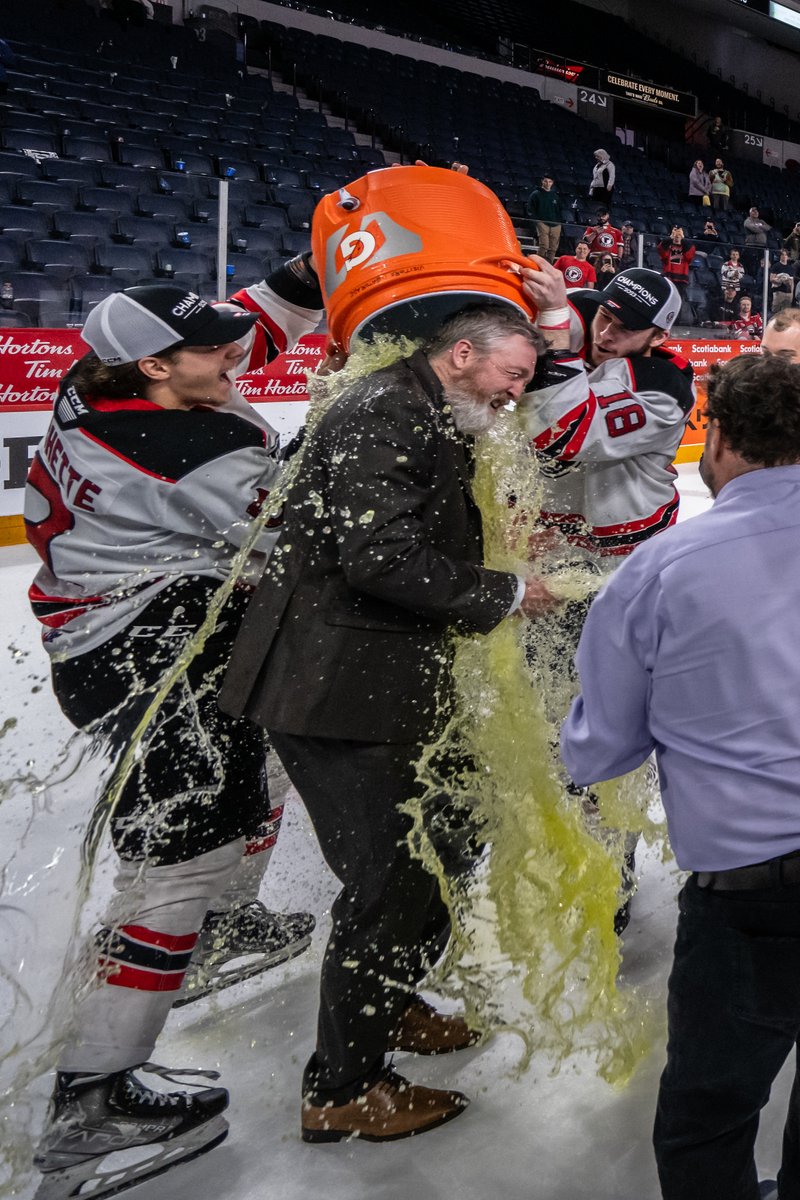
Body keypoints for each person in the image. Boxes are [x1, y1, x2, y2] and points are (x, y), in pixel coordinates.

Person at [219, 305, 560, 1143]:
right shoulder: (385, 411)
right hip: (332, 689)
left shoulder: (422, 404)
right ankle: (343, 1089)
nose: (517, 395)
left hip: (373, 683)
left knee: (445, 836)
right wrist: (507, 592)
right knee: (393, 883)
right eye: (512, 375)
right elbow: (383, 560)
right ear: (462, 355)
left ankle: (391, 1000)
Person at [26, 263, 323, 1197]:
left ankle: (227, 926)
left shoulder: (102, 384)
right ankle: (93, 1097)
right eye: (209, 346)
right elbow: (312, 522)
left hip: (129, 634)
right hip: (153, 656)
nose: (234, 351)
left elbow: (252, 329)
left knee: (261, 775)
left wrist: (313, 275)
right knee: (179, 858)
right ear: (156, 370)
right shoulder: (187, 445)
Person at [559, 351, 800, 1200]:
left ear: (720, 438)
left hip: (754, 892)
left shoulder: (660, 570)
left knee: (711, 1108)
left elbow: (600, 747)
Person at [518, 260, 694, 559]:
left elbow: (562, 433)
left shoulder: (664, 388)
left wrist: (554, 318)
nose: (605, 334)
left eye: (626, 328)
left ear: (659, 336)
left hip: (622, 546)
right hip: (549, 532)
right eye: (605, 316)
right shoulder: (581, 313)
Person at [526, 172, 562, 263]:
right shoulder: (536, 194)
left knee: (553, 248)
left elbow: (559, 210)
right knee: (544, 245)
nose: (547, 183)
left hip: (556, 224)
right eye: (545, 181)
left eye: (549, 182)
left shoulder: (555, 196)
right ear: (542, 182)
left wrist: (559, 222)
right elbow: (530, 209)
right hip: (542, 223)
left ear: (552, 183)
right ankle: (537, 264)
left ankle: (548, 265)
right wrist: (537, 221)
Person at [657, 226, 696, 291]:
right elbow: (661, 249)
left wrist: (683, 238)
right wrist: (671, 237)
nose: (677, 237)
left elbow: (690, 255)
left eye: (679, 235)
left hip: (681, 281)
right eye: (676, 235)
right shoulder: (668, 247)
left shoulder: (686, 248)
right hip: (668, 278)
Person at [743, 206, 772, 277]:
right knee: (752, 264)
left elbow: (768, 227)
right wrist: (762, 228)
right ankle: (751, 277)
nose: (755, 212)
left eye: (757, 211)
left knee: (761, 264)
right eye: (753, 211)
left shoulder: (761, 221)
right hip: (751, 245)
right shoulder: (748, 220)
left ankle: (759, 277)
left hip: (762, 246)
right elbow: (755, 230)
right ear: (750, 213)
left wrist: (759, 226)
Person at [769, 248, 794, 315]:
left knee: (786, 314)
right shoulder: (776, 266)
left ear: (788, 257)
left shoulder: (790, 268)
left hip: (788, 293)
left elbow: (792, 282)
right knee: (775, 312)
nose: (784, 256)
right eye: (782, 255)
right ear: (780, 256)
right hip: (778, 292)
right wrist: (780, 281)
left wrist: (792, 293)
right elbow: (771, 279)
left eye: (785, 255)